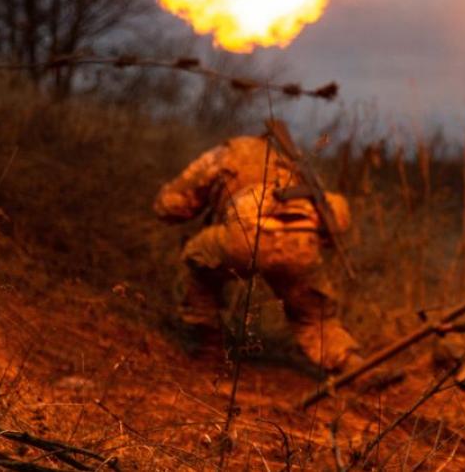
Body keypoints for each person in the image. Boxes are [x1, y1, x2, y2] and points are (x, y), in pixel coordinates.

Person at [154, 133, 359, 373]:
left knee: (197, 257)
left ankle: (208, 348)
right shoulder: (293, 163)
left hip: (245, 237)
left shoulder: (226, 154)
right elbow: (330, 222)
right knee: (314, 316)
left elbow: (170, 206)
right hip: (300, 242)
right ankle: (351, 364)